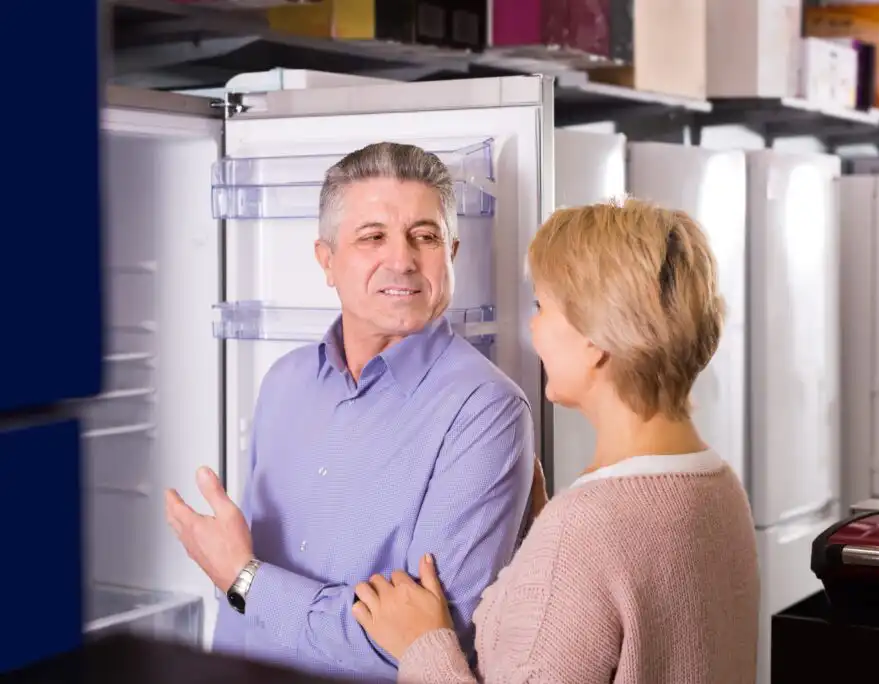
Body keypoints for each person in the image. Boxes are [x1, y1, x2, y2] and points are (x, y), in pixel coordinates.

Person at [164, 142, 534, 681]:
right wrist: (243, 586)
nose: (402, 259)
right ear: (327, 260)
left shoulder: (486, 412)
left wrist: (244, 577)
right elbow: (241, 610)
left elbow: (423, 647)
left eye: (425, 237)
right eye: (372, 236)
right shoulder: (284, 383)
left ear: (451, 251)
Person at [350, 199, 761, 683]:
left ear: (595, 337)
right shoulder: (719, 485)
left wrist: (422, 646)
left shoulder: (585, 530)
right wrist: (545, 552)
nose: (532, 326)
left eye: (543, 306)